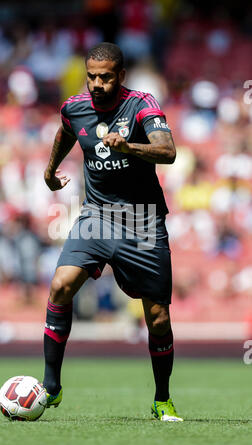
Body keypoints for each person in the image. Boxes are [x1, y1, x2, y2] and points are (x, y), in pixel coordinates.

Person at [43, 42, 183, 422]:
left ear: (120, 76)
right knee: (60, 286)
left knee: (158, 319)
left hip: (142, 220)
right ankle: (51, 388)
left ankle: (162, 399)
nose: (97, 83)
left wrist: (130, 146)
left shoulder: (141, 104)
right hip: (96, 215)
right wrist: (50, 170)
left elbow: (168, 151)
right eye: (92, 76)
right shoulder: (74, 106)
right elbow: (67, 131)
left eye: (105, 77)